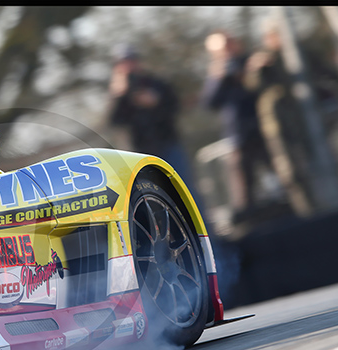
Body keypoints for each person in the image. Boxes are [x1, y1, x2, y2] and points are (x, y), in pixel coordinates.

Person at [243, 18, 338, 216]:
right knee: (292, 172)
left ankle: (336, 205)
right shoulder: (264, 60)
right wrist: (258, 69)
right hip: (280, 125)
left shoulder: (304, 54)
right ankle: (306, 212)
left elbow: (329, 74)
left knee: (324, 160)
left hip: (309, 119)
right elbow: (253, 87)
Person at [199, 30, 273, 221]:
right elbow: (209, 103)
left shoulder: (251, 61)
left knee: (280, 173)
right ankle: (249, 222)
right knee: (243, 188)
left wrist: (255, 68)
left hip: (265, 129)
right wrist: (219, 77)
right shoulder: (218, 73)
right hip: (238, 135)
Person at [108, 45, 194, 188]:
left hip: (168, 143)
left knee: (182, 186)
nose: (129, 66)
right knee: (153, 191)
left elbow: (175, 107)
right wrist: (118, 97)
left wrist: (155, 103)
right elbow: (114, 122)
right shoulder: (119, 93)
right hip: (140, 152)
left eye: (131, 61)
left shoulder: (156, 83)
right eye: (124, 62)